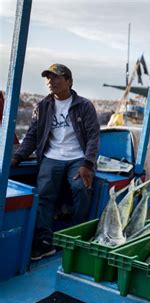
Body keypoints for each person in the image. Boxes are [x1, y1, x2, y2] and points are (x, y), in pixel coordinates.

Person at [11, 64, 100, 261]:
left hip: (78, 158)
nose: (51, 82)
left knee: (82, 187)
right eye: (48, 78)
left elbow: (93, 137)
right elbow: (32, 136)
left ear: (69, 81)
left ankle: (76, 234)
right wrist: (17, 158)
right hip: (51, 157)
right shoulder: (42, 106)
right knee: (43, 194)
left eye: (57, 77)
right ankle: (44, 241)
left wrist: (87, 163)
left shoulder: (84, 105)